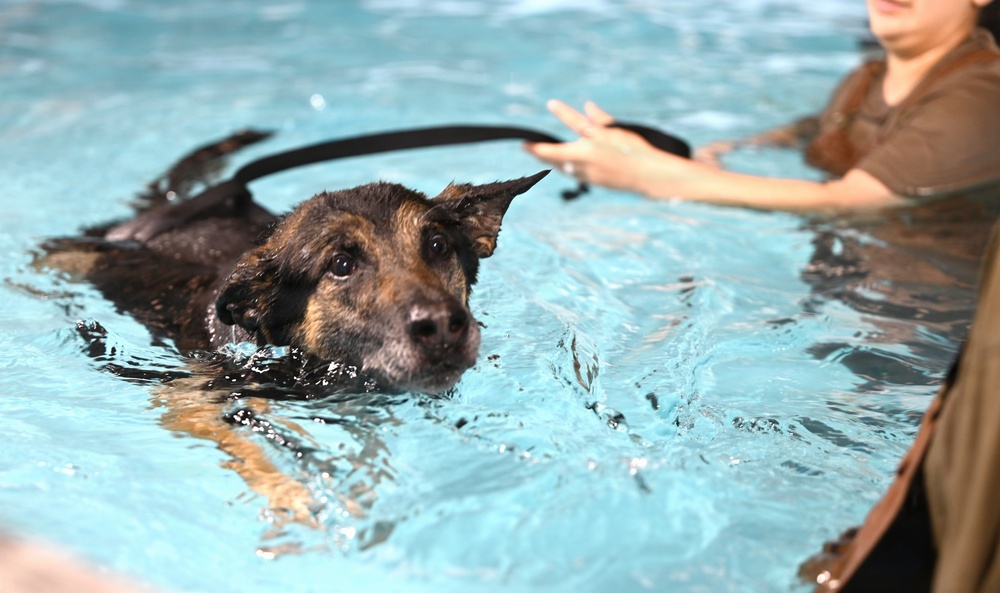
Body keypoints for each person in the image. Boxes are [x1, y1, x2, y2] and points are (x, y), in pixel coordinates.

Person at [525, 0, 1000, 212]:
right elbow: (813, 129)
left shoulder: (983, 97)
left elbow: (850, 200)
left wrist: (648, 176)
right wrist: (720, 151)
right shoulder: (869, 78)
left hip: (919, 317)